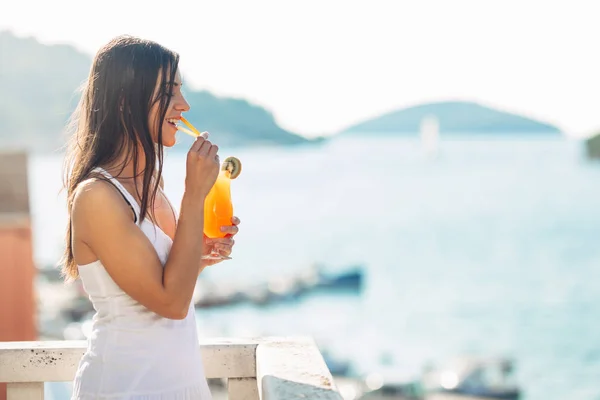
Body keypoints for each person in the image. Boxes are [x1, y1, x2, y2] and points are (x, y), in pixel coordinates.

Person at [61, 35, 239, 399]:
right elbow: (171, 303)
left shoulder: (150, 187)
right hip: (127, 388)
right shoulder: (97, 196)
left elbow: (168, 282)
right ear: (127, 102)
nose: (184, 105)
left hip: (180, 385)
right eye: (169, 93)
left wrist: (199, 255)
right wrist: (194, 196)